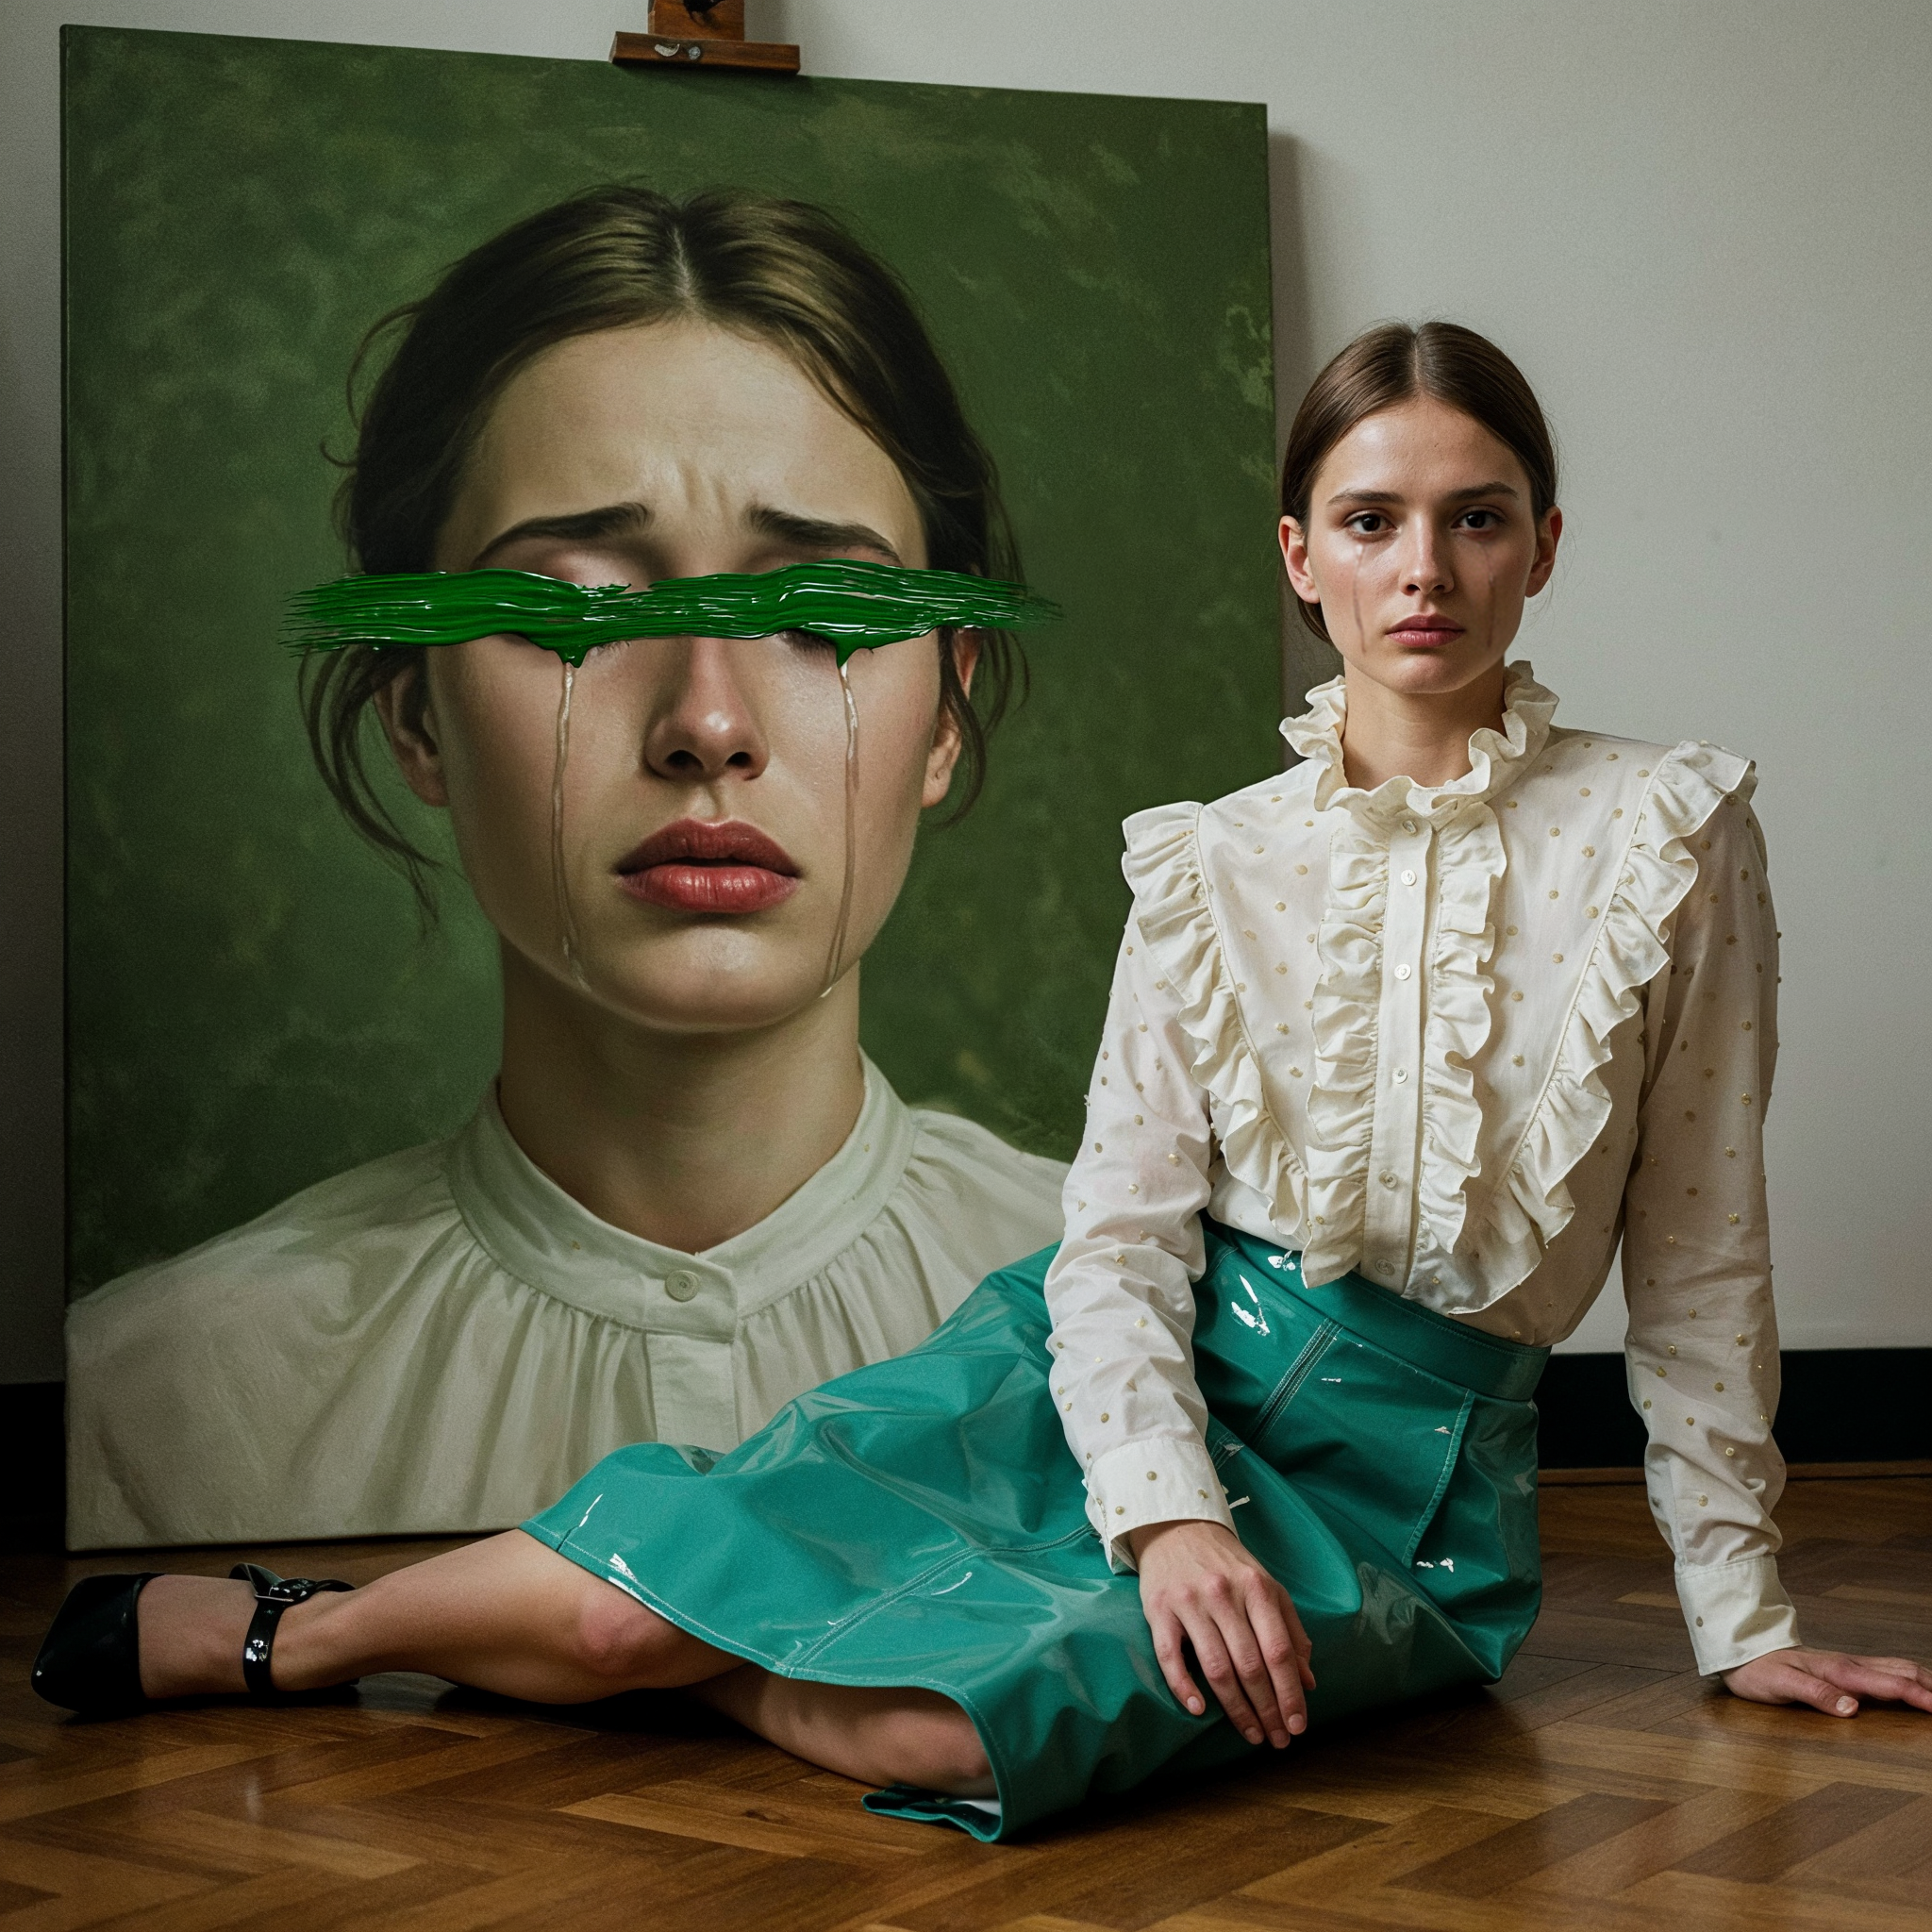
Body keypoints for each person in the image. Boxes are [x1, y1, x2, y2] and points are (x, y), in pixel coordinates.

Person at [42, 322, 1930, 1840]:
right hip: (1119, 1377)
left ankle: (658, 1643)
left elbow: (1694, 1244)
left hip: (1406, 1497)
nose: (1420, 567)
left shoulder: (1670, 832)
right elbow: (1115, 1241)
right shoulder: (1207, 863)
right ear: (1297, 558)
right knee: (628, 1601)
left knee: (955, 1731)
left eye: (1476, 515)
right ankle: (307, 1630)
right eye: (1368, 519)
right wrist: (1170, 1510)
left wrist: (1741, 1613)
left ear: (1541, 543)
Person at [62, 187, 1066, 1550]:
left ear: (945, 712)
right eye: (572, 609)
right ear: (415, 712)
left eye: (822, 615)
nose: (707, 723)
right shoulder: (155, 1406)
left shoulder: (1181, 1330)